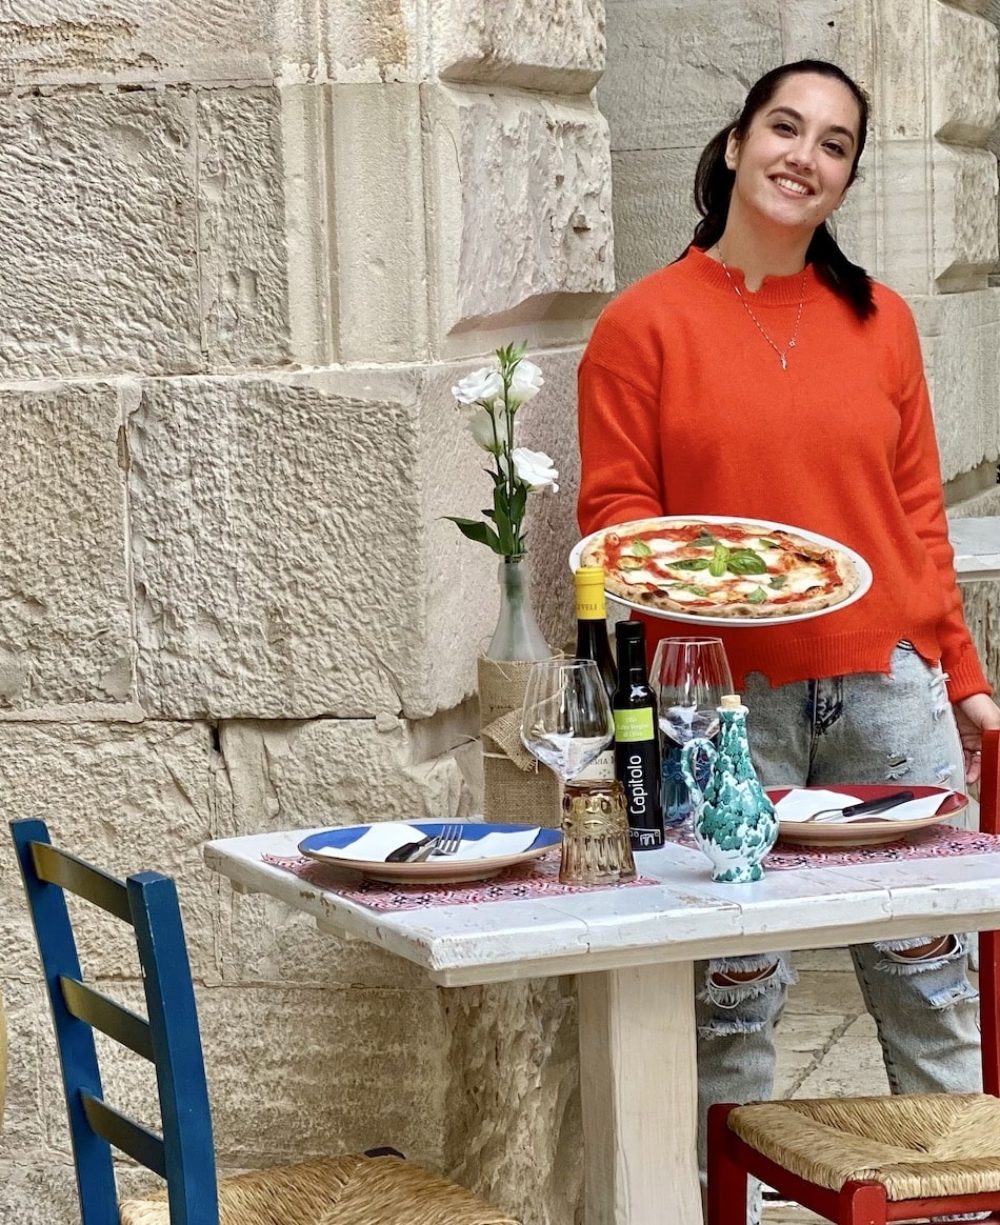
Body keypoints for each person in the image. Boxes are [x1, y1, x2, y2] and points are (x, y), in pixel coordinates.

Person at [576, 58, 1000, 1217]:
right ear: (732, 143)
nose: (802, 156)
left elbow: (916, 517)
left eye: (832, 143)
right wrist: (717, 590)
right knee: (728, 1004)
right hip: (717, 704)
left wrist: (960, 678)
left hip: (888, 695)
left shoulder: (882, 321)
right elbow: (615, 520)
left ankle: (957, 1207)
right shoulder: (639, 324)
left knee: (933, 989)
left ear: (846, 176)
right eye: (784, 126)